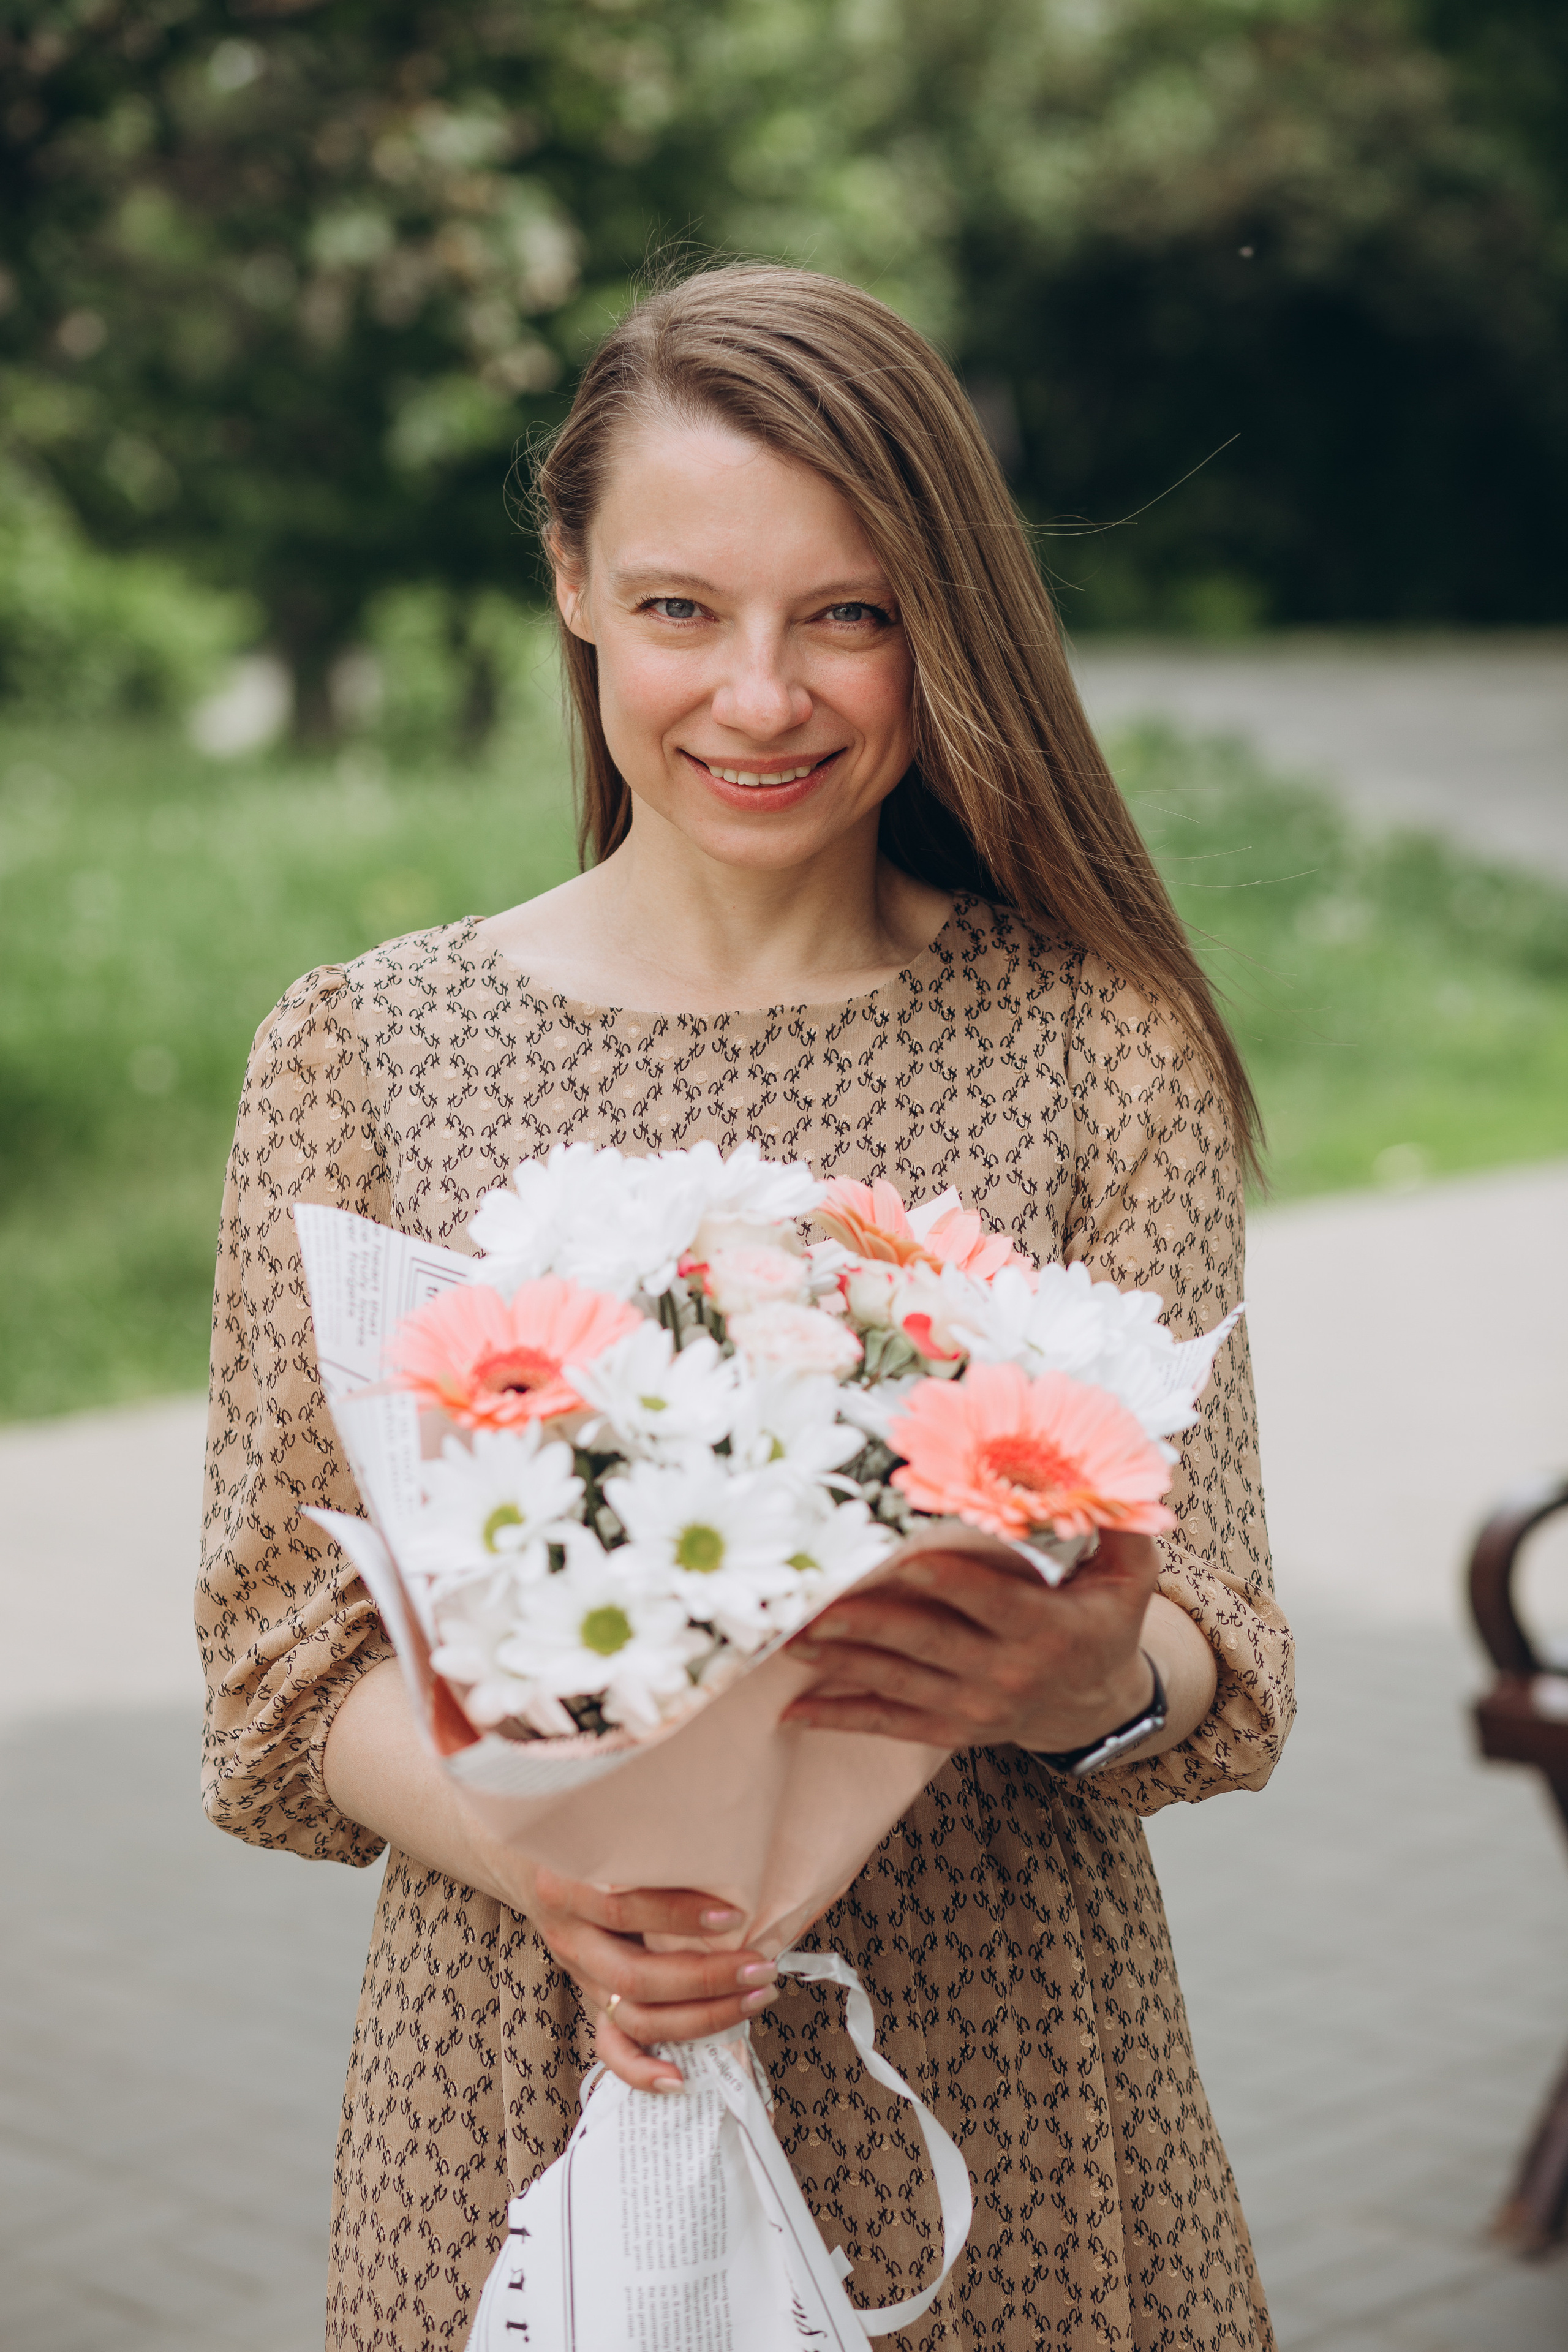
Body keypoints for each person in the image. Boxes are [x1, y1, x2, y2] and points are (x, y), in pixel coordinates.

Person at [198, 262, 1293, 2349]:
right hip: (529, 2064)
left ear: (945, 621)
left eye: (850, 614)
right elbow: (279, 1669)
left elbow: (1215, 1652)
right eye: (685, 608)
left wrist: (1068, 1677)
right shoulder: (368, 1050)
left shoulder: (1097, 1048)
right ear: (573, 588)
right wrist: (574, 1880)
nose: (763, 698)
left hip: (1002, 2068)